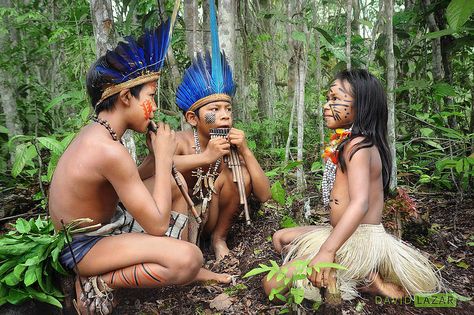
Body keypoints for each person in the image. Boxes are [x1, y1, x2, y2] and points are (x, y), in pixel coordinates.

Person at [48, 21, 227, 315]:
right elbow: (157, 225)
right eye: (151, 97)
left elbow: (133, 177)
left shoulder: (99, 133)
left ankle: (165, 264)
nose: (154, 107)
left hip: (105, 226)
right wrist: (165, 157)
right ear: (126, 97)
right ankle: (101, 282)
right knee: (188, 258)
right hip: (84, 247)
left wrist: (157, 159)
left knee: (168, 182)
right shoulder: (108, 150)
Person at [263, 69, 443, 302]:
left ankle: (366, 277)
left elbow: (360, 203)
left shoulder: (358, 145)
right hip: (340, 231)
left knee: (271, 286)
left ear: (362, 106)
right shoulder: (352, 142)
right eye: (328, 99)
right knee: (280, 238)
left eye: (336, 99)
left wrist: (327, 250)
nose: (327, 106)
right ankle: (362, 275)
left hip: (358, 239)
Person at [173, 0, 271, 261]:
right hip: (181, 221)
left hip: (213, 219)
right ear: (193, 118)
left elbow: (264, 195)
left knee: (241, 177)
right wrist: (205, 157)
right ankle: (185, 251)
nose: (225, 114)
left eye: (227, 108)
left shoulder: (233, 144)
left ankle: (219, 239)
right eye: (214, 109)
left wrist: (246, 151)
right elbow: (154, 169)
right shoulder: (181, 140)